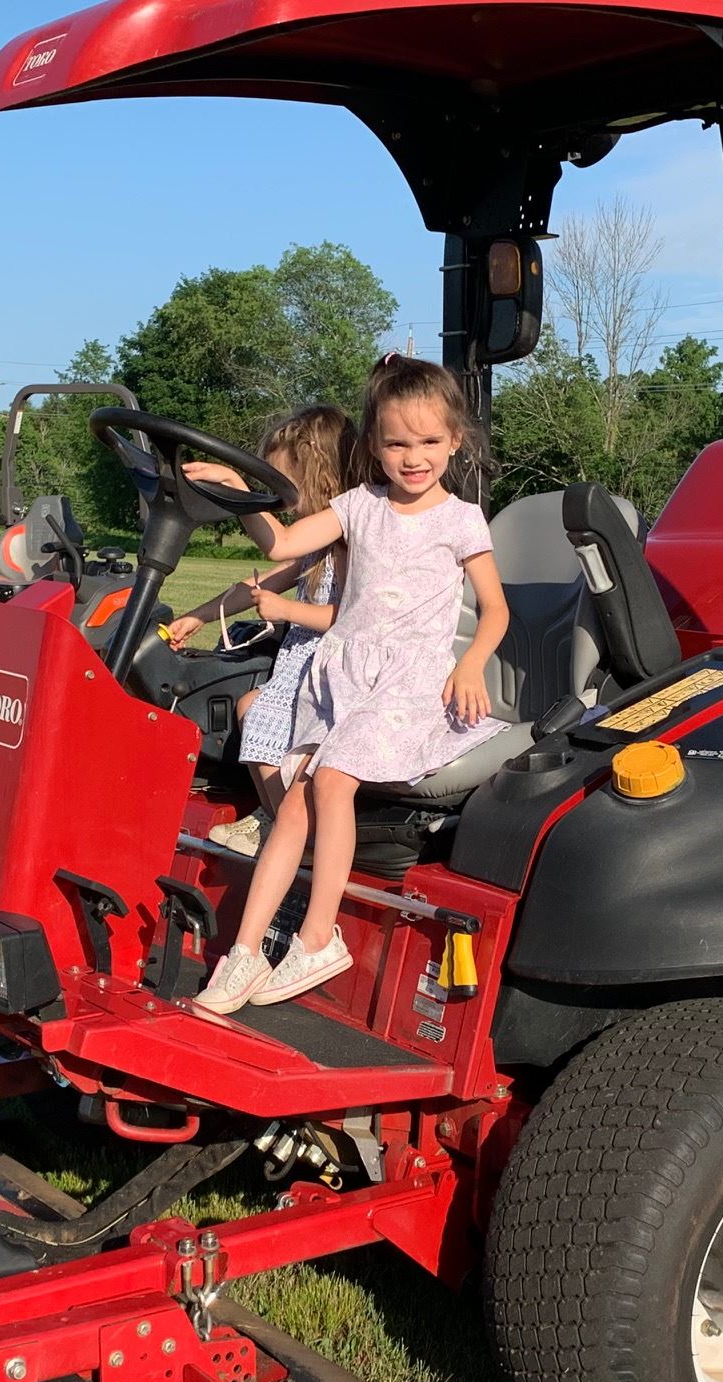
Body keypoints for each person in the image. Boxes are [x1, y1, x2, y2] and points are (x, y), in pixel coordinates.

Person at [194, 356, 509, 1014]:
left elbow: (496, 609)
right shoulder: (357, 506)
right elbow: (280, 547)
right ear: (372, 446)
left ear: (455, 440)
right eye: (396, 442)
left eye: (428, 442)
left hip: (409, 682)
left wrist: (473, 660)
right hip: (342, 675)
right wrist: (238, 491)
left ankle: (317, 937)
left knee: (330, 780)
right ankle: (246, 949)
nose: (413, 457)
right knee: (297, 796)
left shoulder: (461, 521)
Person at [167, 405, 357, 857]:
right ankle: (277, 818)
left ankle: (294, 836)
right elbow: (254, 587)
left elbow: (349, 619)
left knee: (261, 708)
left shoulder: (349, 545)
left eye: (279, 483)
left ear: (315, 467)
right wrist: (198, 615)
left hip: (332, 677)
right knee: (252, 705)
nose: (275, 495)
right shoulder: (317, 549)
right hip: (297, 674)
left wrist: (239, 488)